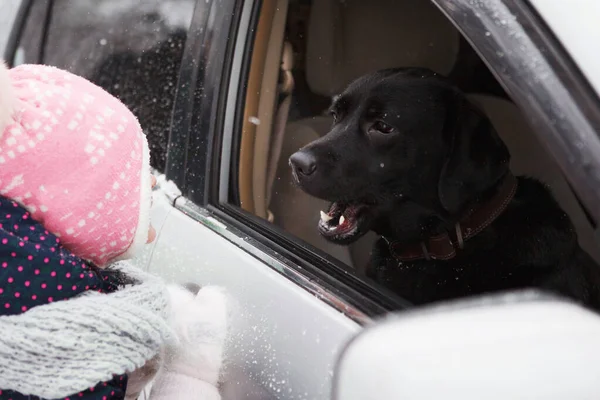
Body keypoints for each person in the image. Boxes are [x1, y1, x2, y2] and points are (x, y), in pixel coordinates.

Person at [0, 61, 229, 399]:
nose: (151, 235)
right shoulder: (64, 357)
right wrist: (187, 377)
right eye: (138, 198)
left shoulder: (31, 290)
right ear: (73, 219)